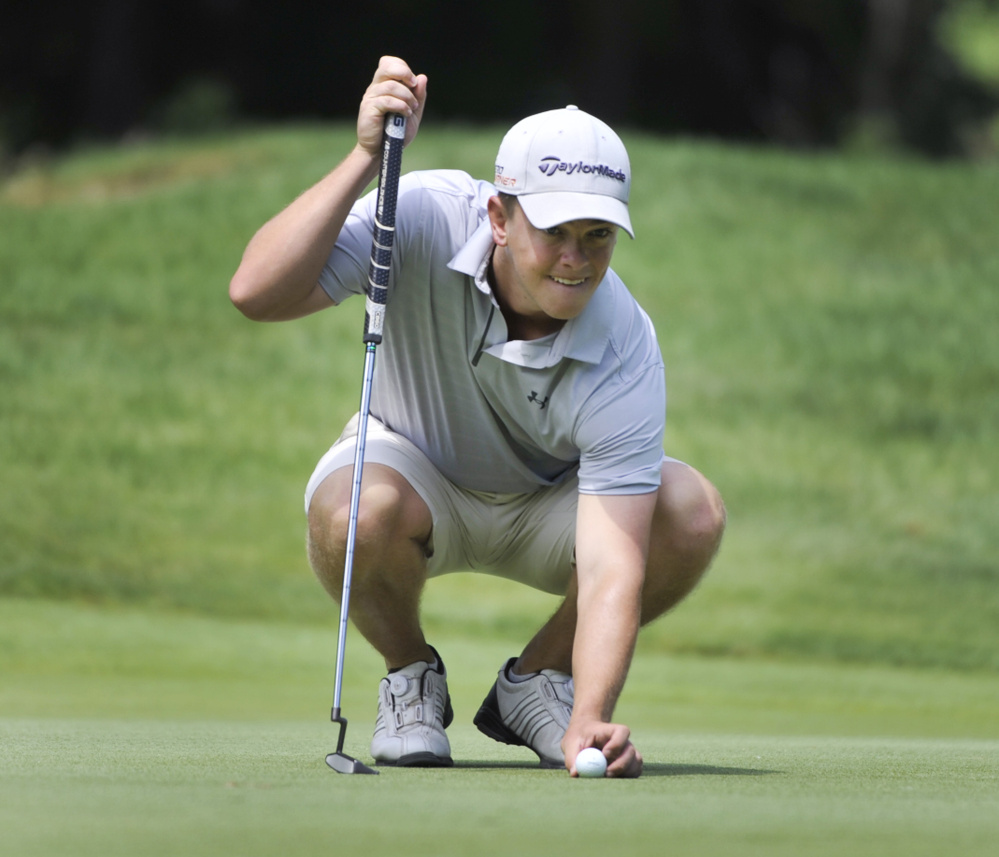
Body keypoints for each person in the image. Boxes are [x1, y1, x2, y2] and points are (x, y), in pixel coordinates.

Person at [230, 56, 725, 778]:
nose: (574, 259)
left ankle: (536, 686)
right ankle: (410, 675)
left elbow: (614, 564)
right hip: (413, 469)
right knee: (351, 513)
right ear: (498, 215)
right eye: (555, 231)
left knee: (689, 513)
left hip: (549, 503)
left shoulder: (624, 343)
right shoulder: (419, 215)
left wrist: (591, 713)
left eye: (597, 236)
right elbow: (257, 291)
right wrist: (365, 158)